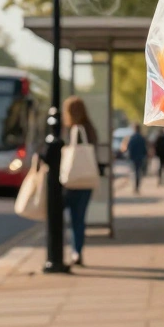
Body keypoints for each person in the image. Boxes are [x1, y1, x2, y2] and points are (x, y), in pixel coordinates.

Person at [62, 95, 98, 266]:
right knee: (79, 218)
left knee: (69, 217)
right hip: (87, 179)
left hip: (71, 180)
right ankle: (77, 251)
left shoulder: (72, 130)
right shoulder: (90, 129)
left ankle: (73, 250)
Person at [122, 124, 148, 194]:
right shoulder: (142, 138)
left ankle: (135, 186)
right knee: (138, 172)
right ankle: (137, 186)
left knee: (134, 172)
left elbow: (129, 148)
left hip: (133, 158)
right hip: (140, 157)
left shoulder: (132, 138)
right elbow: (144, 148)